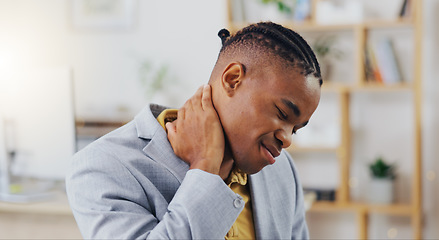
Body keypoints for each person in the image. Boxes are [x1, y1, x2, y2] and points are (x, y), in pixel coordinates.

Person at [66, 22, 322, 239]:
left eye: (296, 129)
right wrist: (204, 168)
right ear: (233, 79)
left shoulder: (282, 170)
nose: (287, 139)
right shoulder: (100, 167)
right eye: (282, 114)